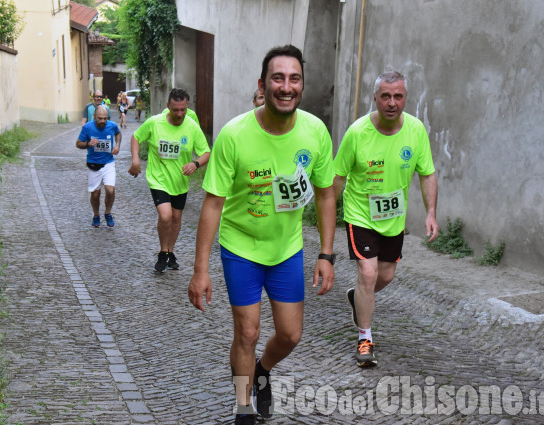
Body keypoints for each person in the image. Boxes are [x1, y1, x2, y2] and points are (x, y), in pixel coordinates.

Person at [187, 45, 336, 425]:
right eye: (278, 78)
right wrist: (200, 270)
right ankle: (243, 406)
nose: (286, 87)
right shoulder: (235, 134)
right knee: (248, 331)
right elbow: (213, 204)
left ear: (302, 84)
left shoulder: (315, 132)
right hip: (240, 248)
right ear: (263, 84)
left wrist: (326, 253)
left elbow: (324, 194)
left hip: (286, 249)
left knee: (290, 335)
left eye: (294, 78)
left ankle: (262, 371)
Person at [333, 71, 439, 368]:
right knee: (368, 274)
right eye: (385, 96)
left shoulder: (416, 130)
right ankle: (365, 339)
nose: (392, 103)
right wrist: (327, 216)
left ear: (405, 98)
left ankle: (358, 297)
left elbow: (427, 173)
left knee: (386, 276)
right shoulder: (357, 133)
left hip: (393, 218)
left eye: (398, 96)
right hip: (360, 213)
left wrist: (431, 212)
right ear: (375, 98)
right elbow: (338, 178)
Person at [128, 88, 211, 272]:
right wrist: (135, 160)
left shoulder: (191, 126)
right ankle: (163, 251)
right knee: (165, 215)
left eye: (183, 109)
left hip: (180, 180)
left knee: (176, 217)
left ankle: (169, 252)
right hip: (158, 178)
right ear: (168, 106)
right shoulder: (155, 123)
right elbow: (136, 137)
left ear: (187, 107)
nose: (179, 114)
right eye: (175, 110)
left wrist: (195, 164)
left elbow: (206, 152)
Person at [76, 105, 122, 228]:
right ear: (94, 116)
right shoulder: (87, 127)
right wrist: (88, 144)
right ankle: (96, 215)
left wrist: (117, 145)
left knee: (110, 190)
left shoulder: (112, 125)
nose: (102, 121)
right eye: (100, 118)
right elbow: (78, 143)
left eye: (105, 118)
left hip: (108, 162)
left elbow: (118, 133)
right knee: (95, 194)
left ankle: (108, 213)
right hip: (93, 164)